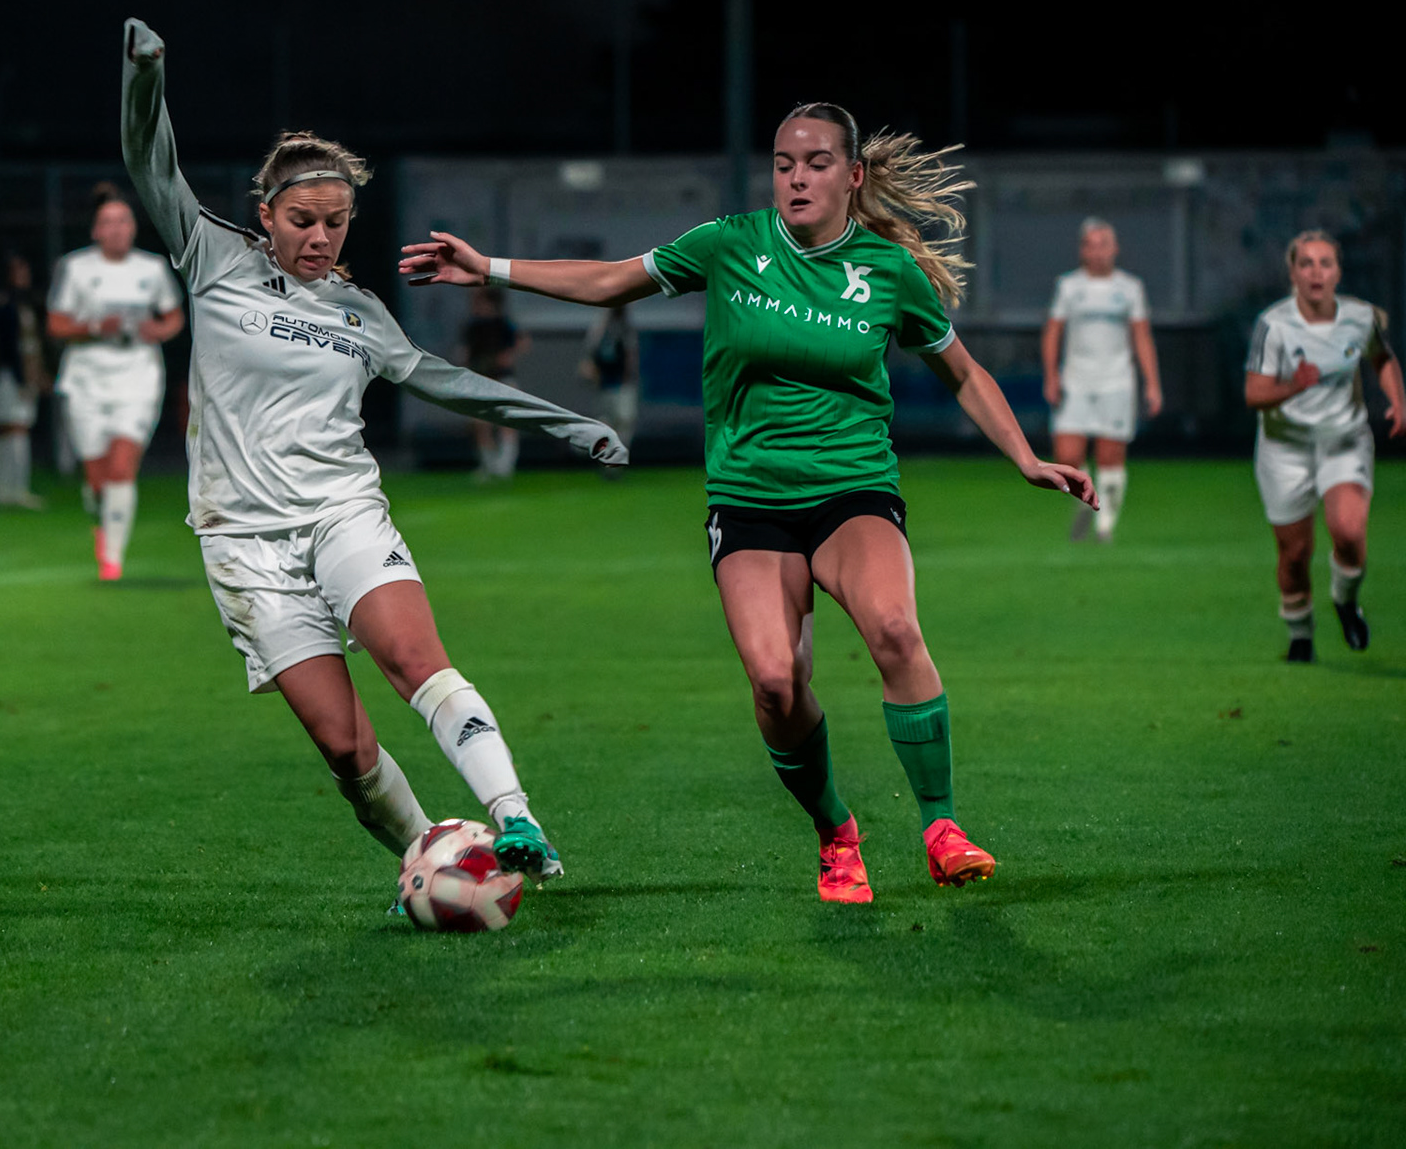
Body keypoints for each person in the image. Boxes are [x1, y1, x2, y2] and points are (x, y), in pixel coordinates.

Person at [402, 102, 1096, 905]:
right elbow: (610, 281)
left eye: (816, 163)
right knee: (775, 681)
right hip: (749, 498)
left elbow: (965, 372)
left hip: (853, 487)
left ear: (853, 175)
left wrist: (1025, 458)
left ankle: (942, 829)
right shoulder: (731, 244)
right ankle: (836, 834)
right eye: (783, 163)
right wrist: (487, 267)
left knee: (897, 629)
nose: (796, 177)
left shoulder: (888, 272)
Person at [119, 17, 626, 885]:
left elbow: (446, 381)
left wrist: (567, 422)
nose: (320, 239)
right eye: (303, 221)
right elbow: (149, 165)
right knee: (344, 746)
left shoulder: (361, 316)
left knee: (414, 659)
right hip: (242, 543)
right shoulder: (213, 259)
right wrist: (146, 78)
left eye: (336, 224)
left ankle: (516, 818)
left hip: (343, 513)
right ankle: (434, 864)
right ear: (266, 215)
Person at [1243, 230, 1403, 662]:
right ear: (1293, 273)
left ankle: (1346, 601)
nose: (1316, 272)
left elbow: (1382, 357)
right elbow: (1254, 394)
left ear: (1338, 271)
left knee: (1349, 533)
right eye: (1307, 263)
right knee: (1295, 554)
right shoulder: (1273, 325)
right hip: (1285, 449)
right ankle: (1300, 634)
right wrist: (1294, 385)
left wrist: (1398, 401)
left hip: (1343, 440)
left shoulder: (1360, 317)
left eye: (1325, 263)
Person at [46, 184, 186, 580]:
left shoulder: (152, 270)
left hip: (138, 377)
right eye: (108, 222)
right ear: (95, 230)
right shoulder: (76, 268)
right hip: (86, 379)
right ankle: (100, 522)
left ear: (133, 227)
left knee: (123, 467)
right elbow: (55, 323)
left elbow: (173, 317)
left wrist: (158, 329)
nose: (117, 228)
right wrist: (93, 326)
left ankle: (112, 559)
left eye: (123, 220)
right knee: (96, 476)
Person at [1041, 218, 1162, 543]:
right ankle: (1084, 502)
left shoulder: (1129, 288)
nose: (1097, 252)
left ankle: (1104, 524)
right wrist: (1051, 374)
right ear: (1083, 250)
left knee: (1110, 456)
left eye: (1103, 244)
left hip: (1116, 381)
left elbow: (1142, 337)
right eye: (1090, 245)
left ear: (1115, 248)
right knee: (1065, 454)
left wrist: (1152, 383)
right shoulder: (1068, 286)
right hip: (1075, 381)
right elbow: (1053, 331)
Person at [0, 253, 47, 510]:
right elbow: (7, 345)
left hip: (25, 372)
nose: (23, 277)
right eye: (18, 272)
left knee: (17, 428)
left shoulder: (28, 304)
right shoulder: (2, 303)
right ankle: (7, 488)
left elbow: (33, 344)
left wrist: (38, 372)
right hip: (7, 373)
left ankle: (14, 488)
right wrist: (22, 378)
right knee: (8, 428)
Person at [460, 288, 529, 481]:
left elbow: (522, 341)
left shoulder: (502, 323)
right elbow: (466, 351)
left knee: (506, 421)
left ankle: (505, 466)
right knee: (480, 424)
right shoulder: (472, 326)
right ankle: (488, 465)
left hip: (502, 377)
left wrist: (509, 355)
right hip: (480, 378)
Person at [579, 305, 639, 459]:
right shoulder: (599, 327)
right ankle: (606, 456)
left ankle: (617, 457)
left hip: (622, 383)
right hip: (605, 383)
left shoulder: (626, 328)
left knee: (624, 420)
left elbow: (630, 353)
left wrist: (628, 376)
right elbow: (591, 352)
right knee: (605, 421)